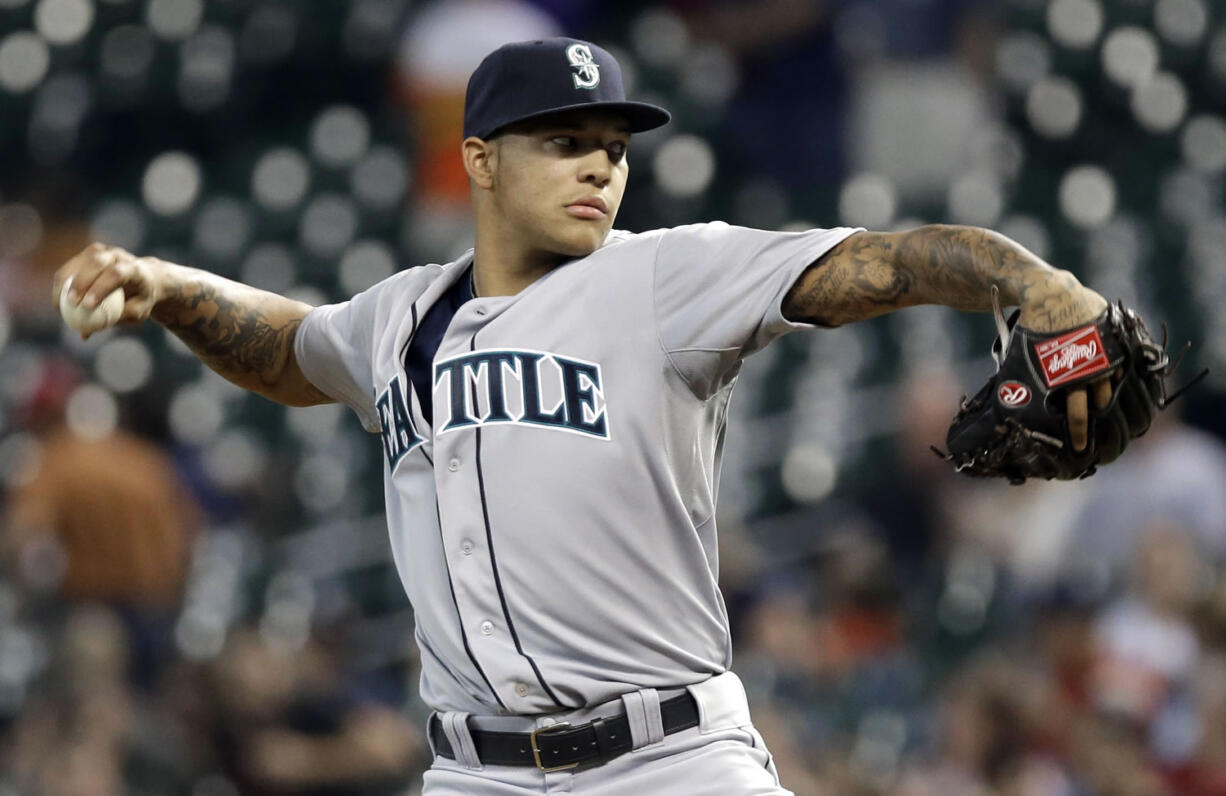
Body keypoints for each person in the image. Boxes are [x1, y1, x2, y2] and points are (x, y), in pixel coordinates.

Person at [53, 37, 1115, 795]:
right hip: (476, 771)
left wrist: (1025, 277)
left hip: (670, 760)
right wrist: (171, 288)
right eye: (561, 139)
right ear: (479, 159)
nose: (599, 162)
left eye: (610, 141)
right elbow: (291, 349)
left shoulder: (667, 277)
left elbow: (866, 265)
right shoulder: (400, 315)